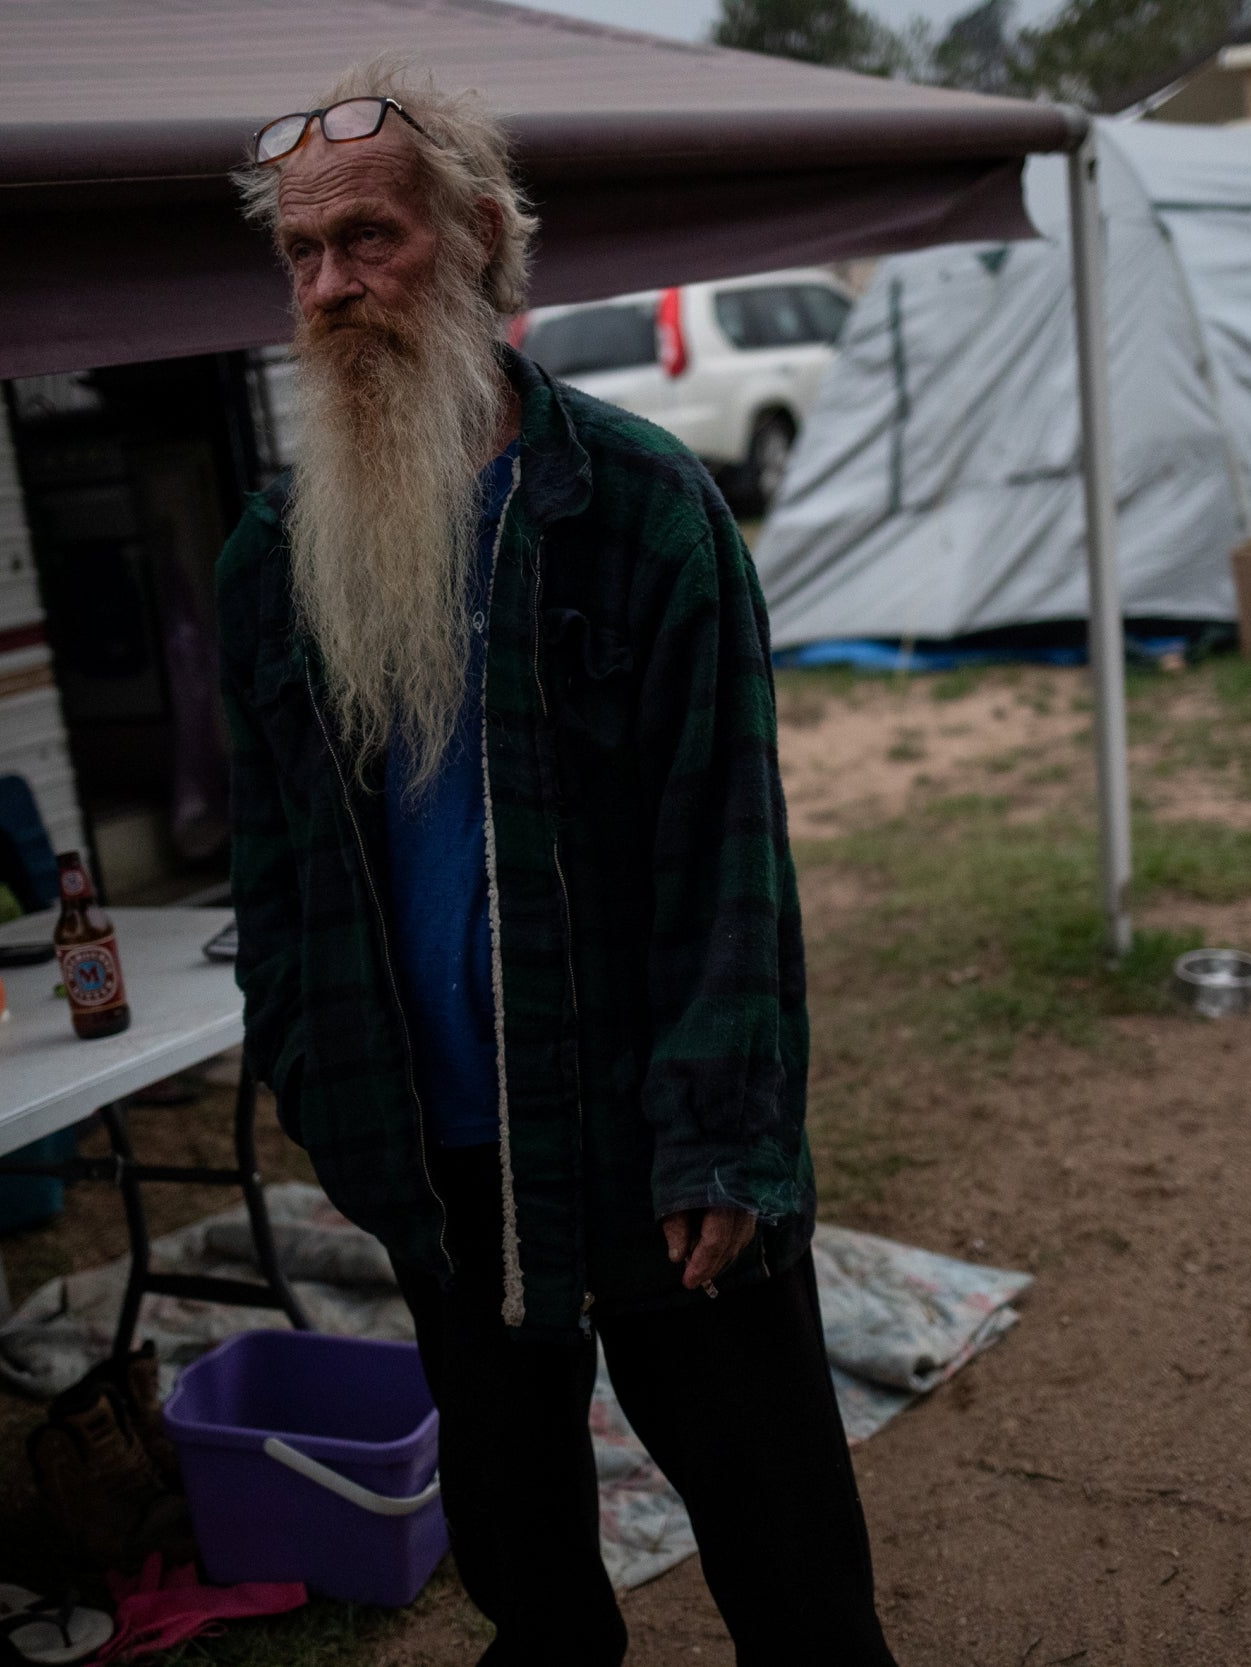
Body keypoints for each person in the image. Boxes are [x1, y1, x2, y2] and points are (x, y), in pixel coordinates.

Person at [217, 55, 895, 1667]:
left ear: (480, 239)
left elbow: (730, 851)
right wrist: (324, 1084)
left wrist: (724, 1141)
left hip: (652, 1160)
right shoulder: (273, 560)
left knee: (793, 1579)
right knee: (529, 1585)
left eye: (370, 239)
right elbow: (276, 875)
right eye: (303, 255)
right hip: (441, 1176)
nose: (332, 287)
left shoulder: (641, 510)